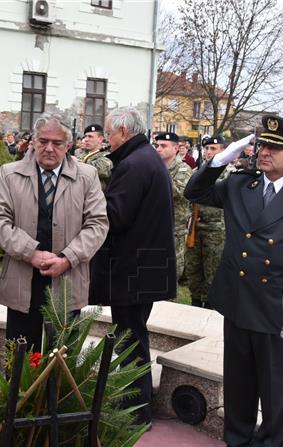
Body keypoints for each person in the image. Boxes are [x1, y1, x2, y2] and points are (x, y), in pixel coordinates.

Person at [186, 116, 283, 447]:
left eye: (275, 148)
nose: (264, 153)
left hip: (276, 306)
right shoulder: (242, 183)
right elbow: (196, 192)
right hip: (238, 300)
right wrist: (222, 158)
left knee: (273, 388)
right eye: (261, 146)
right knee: (238, 382)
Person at [0, 113, 108, 351]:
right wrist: (30, 253)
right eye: (43, 141)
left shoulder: (87, 176)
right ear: (33, 141)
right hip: (23, 279)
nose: (49, 148)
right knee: (21, 359)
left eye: (57, 143)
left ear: (69, 145)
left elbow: (97, 224)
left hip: (67, 281)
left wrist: (68, 258)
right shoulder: (10, 174)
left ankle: (55, 391)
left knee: (62, 361)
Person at [89, 107, 176, 427]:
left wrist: (88, 198)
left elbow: (114, 215)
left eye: (109, 134)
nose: (106, 141)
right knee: (131, 335)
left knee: (130, 339)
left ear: (123, 131)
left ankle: (136, 410)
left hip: (133, 272)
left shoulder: (134, 164)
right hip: (141, 270)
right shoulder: (145, 158)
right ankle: (134, 403)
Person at [184, 135, 227, 308]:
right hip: (195, 227)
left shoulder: (231, 173)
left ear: (223, 151)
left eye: (213, 149)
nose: (209, 152)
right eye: (207, 149)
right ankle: (195, 300)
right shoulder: (198, 172)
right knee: (194, 269)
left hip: (217, 230)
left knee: (213, 271)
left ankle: (210, 305)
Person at [154, 131, 191, 282]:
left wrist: (160, 175)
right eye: (157, 145)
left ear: (176, 148)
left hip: (174, 229)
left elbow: (178, 192)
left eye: (163, 146)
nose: (158, 149)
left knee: (171, 272)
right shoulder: (155, 167)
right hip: (155, 227)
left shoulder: (183, 169)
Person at [79, 124, 113, 191]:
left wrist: (75, 163)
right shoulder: (82, 155)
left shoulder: (107, 156)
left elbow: (100, 169)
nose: (86, 139)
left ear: (100, 139)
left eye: (90, 137)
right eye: (85, 136)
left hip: (96, 198)